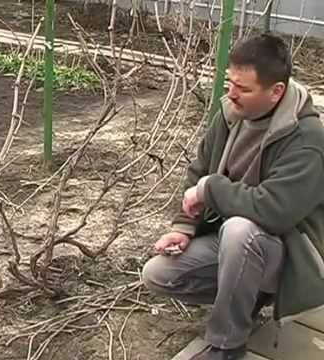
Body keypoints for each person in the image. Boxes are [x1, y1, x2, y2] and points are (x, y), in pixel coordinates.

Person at [142, 33, 324, 360]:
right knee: (158, 274)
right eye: (229, 82)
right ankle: (246, 296)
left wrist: (211, 189)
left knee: (241, 230)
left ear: (276, 92)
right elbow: (199, 169)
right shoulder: (230, 115)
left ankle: (227, 346)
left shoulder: (307, 140)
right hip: (236, 244)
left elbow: (273, 211)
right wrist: (183, 226)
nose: (231, 94)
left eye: (243, 89)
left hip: (290, 255)